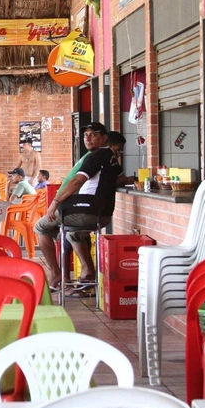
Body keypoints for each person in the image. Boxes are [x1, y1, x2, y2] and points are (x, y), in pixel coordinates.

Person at [35, 125, 126, 292]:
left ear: (105, 138)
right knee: (73, 233)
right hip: (102, 214)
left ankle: (57, 273)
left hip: (88, 212)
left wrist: (55, 201)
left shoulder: (97, 155)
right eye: (86, 135)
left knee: (40, 227)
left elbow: (77, 181)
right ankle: (87, 273)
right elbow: (116, 180)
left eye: (93, 135)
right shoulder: (111, 158)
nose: (88, 139)